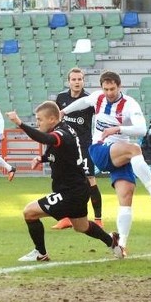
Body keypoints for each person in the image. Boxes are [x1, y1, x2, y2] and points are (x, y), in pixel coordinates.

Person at [60, 70, 151, 254]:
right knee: (135, 149)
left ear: (120, 87)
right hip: (100, 150)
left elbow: (142, 129)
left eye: (112, 89)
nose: (109, 93)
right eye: (106, 89)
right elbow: (83, 102)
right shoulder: (98, 98)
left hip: (121, 156)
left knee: (126, 197)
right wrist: (64, 111)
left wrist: (117, 128)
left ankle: (121, 244)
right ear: (101, 88)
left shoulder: (129, 104)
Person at [5, 103, 122, 262]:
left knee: (29, 212)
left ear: (52, 119)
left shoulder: (61, 134)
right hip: (78, 189)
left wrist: (19, 123)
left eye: (40, 119)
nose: (37, 123)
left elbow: (45, 139)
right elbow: (65, 153)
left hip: (70, 192)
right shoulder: (64, 130)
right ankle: (111, 241)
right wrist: (42, 158)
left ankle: (41, 253)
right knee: (81, 227)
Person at [52, 68, 104, 229]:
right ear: (69, 81)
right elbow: (54, 119)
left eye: (79, 79)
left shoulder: (89, 100)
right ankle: (67, 217)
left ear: (83, 81)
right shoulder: (61, 98)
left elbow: (101, 117)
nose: (77, 82)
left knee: (90, 180)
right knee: (63, 181)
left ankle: (98, 219)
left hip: (84, 146)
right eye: (74, 79)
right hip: (66, 148)